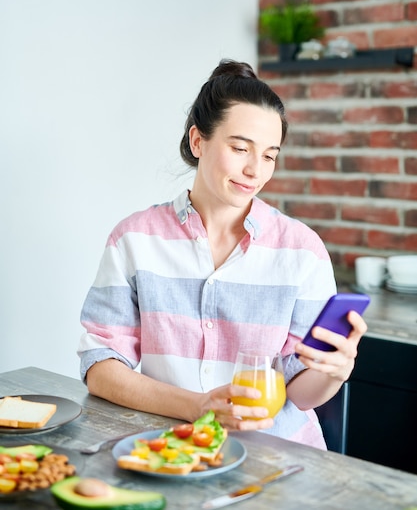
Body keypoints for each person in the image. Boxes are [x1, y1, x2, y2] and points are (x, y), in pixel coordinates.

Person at [77, 59, 367, 449]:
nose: (255, 170)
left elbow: (300, 393)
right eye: (240, 148)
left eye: (269, 155)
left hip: (278, 461)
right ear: (198, 141)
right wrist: (197, 406)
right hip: (172, 452)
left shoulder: (302, 252)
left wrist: (335, 371)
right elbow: (100, 367)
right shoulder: (135, 239)